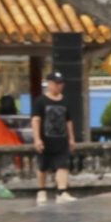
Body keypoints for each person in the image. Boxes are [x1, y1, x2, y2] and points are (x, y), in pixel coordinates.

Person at [33, 70, 79, 203]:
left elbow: (68, 121)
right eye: (57, 83)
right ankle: (41, 191)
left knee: (62, 166)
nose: (60, 86)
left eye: (61, 83)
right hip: (46, 139)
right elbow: (36, 120)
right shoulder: (40, 101)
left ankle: (62, 191)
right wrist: (37, 138)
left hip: (61, 139)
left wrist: (71, 138)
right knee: (43, 166)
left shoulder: (65, 101)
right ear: (49, 84)